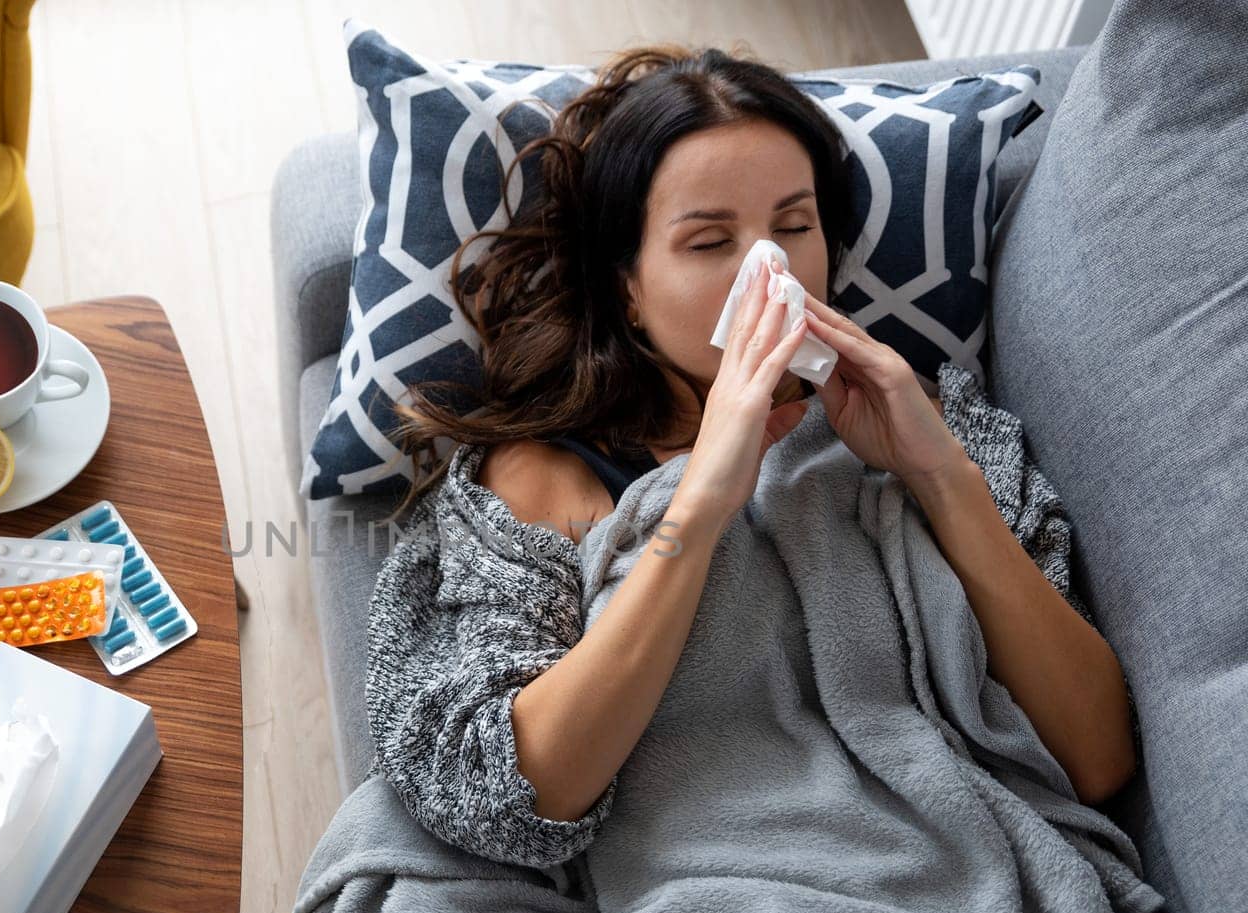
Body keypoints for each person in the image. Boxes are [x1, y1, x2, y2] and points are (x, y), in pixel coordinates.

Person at [371, 44, 1138, 858]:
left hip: (962, 867)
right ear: (627, 288)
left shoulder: (932, 423)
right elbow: (510, 792)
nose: (768, 270)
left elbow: (1096, 760)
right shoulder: (545, 480)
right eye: (709, 243)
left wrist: (940, 475)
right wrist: (698, 506)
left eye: (793, 227)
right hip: (717, 901)